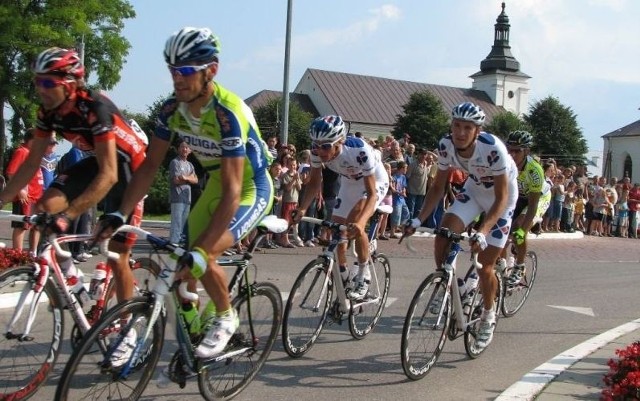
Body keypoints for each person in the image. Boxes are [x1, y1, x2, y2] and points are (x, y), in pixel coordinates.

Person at [95, 27, 273, 360]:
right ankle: (192, 331)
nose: (178, 79)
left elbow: (234, 191)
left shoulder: (227, 112)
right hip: (217, 184)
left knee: (203, 255)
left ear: (211, 71)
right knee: (180, 263)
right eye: (173, 70)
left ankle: (226, 316)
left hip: (250, 188)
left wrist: (202, 250)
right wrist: (120, 212)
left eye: (186, 71)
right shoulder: (170, 110)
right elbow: (149, 168)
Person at [0, 47, 148, 366]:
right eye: (37, 82)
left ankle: (130, 331)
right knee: (45, 204)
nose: (41, 89)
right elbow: (30, 166)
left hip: (129, 169)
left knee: (118, 253)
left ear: (70, 83)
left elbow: (109, 176)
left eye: (48, 83)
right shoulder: (47, 112)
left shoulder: (96, 108)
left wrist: (69, 215)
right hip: (97, 163)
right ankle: (68, 273)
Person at [404, 102, 518, 350]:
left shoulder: (492, 148)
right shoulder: (445, 145)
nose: (461, 132)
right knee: (444, 230)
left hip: (502, 199)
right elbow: (437, 187)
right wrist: (418, 219)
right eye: (457, 125)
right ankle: (446, 282)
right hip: (474, 190)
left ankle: (488, 315)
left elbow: (500, 199)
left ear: (478, 130)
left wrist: (482, 231)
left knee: (485, 265)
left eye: (468, 127)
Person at [294, 115, 389, 300]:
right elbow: (314, 183)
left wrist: (361, 223)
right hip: (349, 182)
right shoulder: (316, 151)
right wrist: (303, 208)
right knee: (336, 232)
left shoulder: (358, 150)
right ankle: (344, 275)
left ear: (340, 141)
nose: (319, 151)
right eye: (315, 145)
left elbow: (371, 194)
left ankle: (364, 273)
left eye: (326, 146)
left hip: (374, 182)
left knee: (354, 223)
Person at [500, 130, 550, 286]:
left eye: (517, 151)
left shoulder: (535, 170)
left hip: (537, 199)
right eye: (510, 150)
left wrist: (523, 230)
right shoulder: (505, 164)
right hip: (519, 197)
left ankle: (520, 266)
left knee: (518, 227)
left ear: (527, 151)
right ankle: (502, 264)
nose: (513, 154)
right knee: (500, 229)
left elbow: (533, 205)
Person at [4, 129, 44, 255]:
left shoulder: (32, 153)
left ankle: (32, 253)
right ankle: (18, 254)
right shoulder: (22, 152)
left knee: (32, 226)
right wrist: (20, 189)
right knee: (21, 226)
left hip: (35, 196)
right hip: (26, 197)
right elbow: (11, 172)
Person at [168, 139, 198, 244]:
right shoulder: (175, 162)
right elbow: (176, 180)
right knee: (176, 220)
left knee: (184, 221)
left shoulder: (190, 165)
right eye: (182, 147)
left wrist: (184, 177)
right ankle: (173, 242)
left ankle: (180, 240)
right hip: (177, 196)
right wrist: (189, 178)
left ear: (190, 150)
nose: (185, 149)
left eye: (187, 147)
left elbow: (196, 180)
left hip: (187, 197)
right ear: (178, 149)